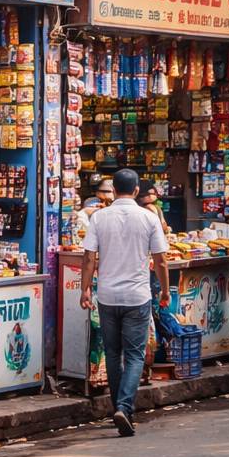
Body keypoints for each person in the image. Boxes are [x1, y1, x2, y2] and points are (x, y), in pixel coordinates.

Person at [80, 168, 171, 437]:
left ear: (114, 190)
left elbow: (88, 258)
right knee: (134, 355)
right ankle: (124, 406)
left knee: (112, 354)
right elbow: (162, 260)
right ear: (135, 191)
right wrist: (165, 291)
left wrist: (85, 289)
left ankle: (120, 409)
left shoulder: (99, 217)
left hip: (107, 295)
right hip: (137, 296)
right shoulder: (148, 218)